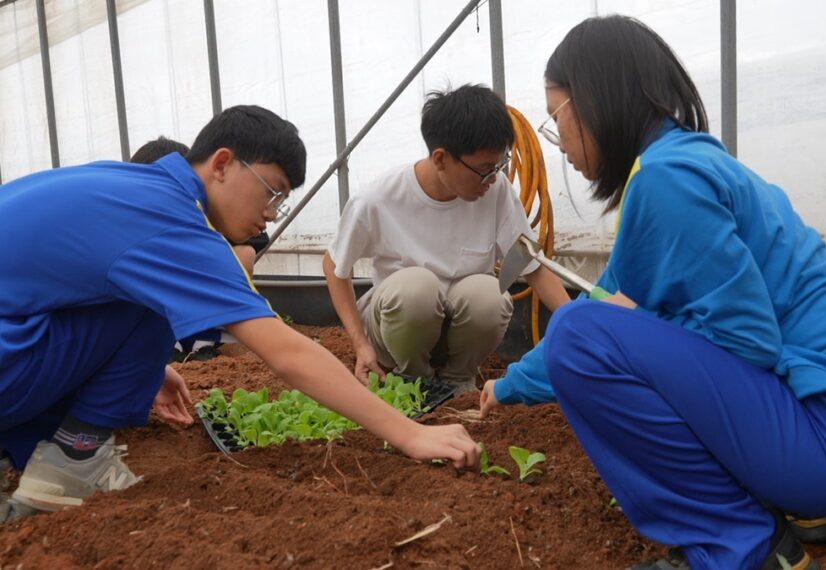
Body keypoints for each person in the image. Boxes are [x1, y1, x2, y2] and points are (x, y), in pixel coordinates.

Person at [479, 15, 826, 570]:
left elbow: (745, 340)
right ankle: (794, 506)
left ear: (596, 101)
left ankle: (739, 547)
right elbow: (607, 302)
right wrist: (510, 384)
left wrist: (640, 320)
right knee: (583, 329)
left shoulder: (668, 182)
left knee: (575, 333)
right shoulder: (687, 163)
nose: (558, 140)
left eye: (555, 117)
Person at [0, 105, 480, 523]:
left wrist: (145, 365)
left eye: (282, 200)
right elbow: (287, 354)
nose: (273, 214)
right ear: (224, 164)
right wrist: (410, 433)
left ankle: (54, 462)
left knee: (148, 298)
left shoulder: (134, 186)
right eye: (272, 191)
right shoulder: (174, 221)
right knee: (156, 303)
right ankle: (74, 462)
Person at [323, 84, 570, 391]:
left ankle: (457, 382)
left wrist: (580, 326)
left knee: (490, 295)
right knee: (417, 288)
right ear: (440, 158)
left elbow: (531, 265)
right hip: (397, 330)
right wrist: (360, 344)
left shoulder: (496, 190)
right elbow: (334, 265)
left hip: (455, 333)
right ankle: (414, 381)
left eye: (498, 166)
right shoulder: (379, 198)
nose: (492, 179)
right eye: (483, 170)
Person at [129, 136, 268, 361]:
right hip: (150, 312)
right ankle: (168, 344)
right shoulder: (134, 224)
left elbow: (256, 241)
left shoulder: (199, 212)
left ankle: (202, 343)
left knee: (244, 254)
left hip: (193, 308)